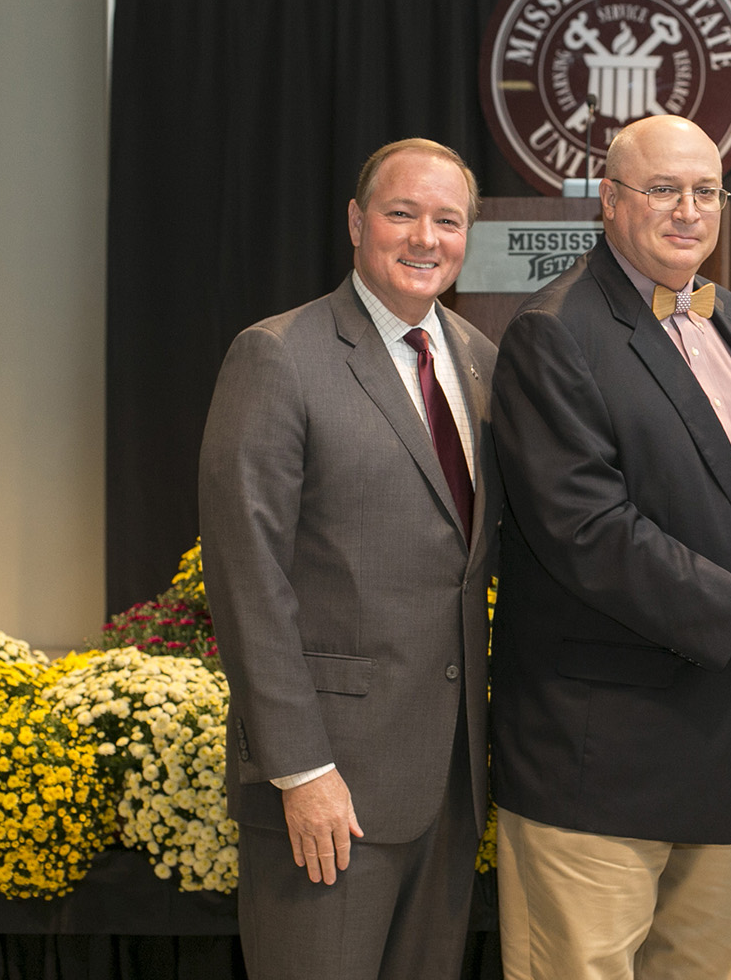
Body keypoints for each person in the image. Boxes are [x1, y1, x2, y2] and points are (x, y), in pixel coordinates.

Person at [489, 114, 731, 980]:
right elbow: (588, 532)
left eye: (705, 191)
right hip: (598, 759)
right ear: (609, 202)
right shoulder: (554, 332)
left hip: (724, 747)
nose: (688, 210)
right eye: (663, 190)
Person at [198, 138, 499, 980]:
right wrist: (301, 769)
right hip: (329, 786)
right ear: (358, 222)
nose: (425, 238)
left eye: (447, 219)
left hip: (446, 787)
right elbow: (247, 575)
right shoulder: (279, 355)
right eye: (402, 214)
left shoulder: (480, 362)